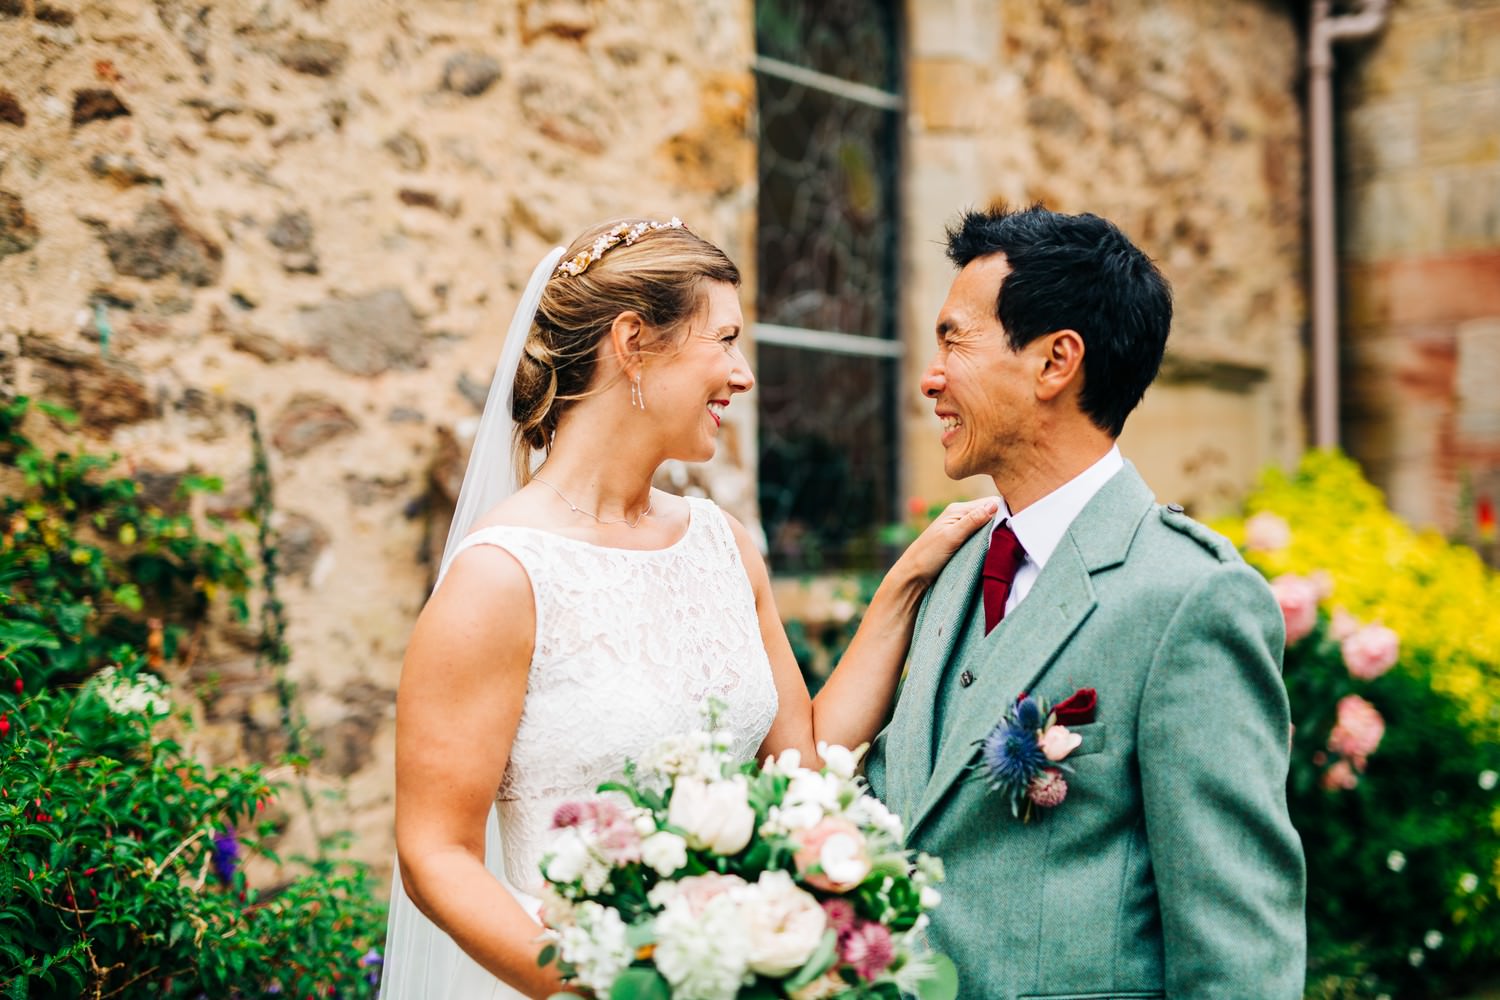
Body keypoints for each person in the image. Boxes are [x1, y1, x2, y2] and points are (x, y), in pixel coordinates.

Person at [379, 217, 996, 999]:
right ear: (633, 340)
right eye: (725, 340)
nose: (742, 377)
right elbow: (436, 854)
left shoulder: (721, 544)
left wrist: (907, 583)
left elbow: (800, 760)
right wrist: (595, 987)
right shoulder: (502, 578)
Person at [864, 204, 1307, 998]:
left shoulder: (1193, 598)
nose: (930, 378)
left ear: (1054, 362)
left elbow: (1238, 952)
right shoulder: (955, 569)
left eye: (954, 340)